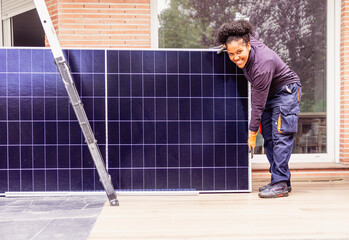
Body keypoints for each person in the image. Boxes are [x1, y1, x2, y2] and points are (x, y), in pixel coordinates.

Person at [217, 20, 302, 198]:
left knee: (280, 138)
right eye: (230, 53)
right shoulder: (245, 39)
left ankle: (279, 184)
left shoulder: (263, 64)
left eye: (239, 52)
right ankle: (281, 180)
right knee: (270, 140)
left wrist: (252, 134)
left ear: (248, 46)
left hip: (285, 92)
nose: (236, 58)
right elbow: (242, 36)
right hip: (270, 95)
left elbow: (257, 104)